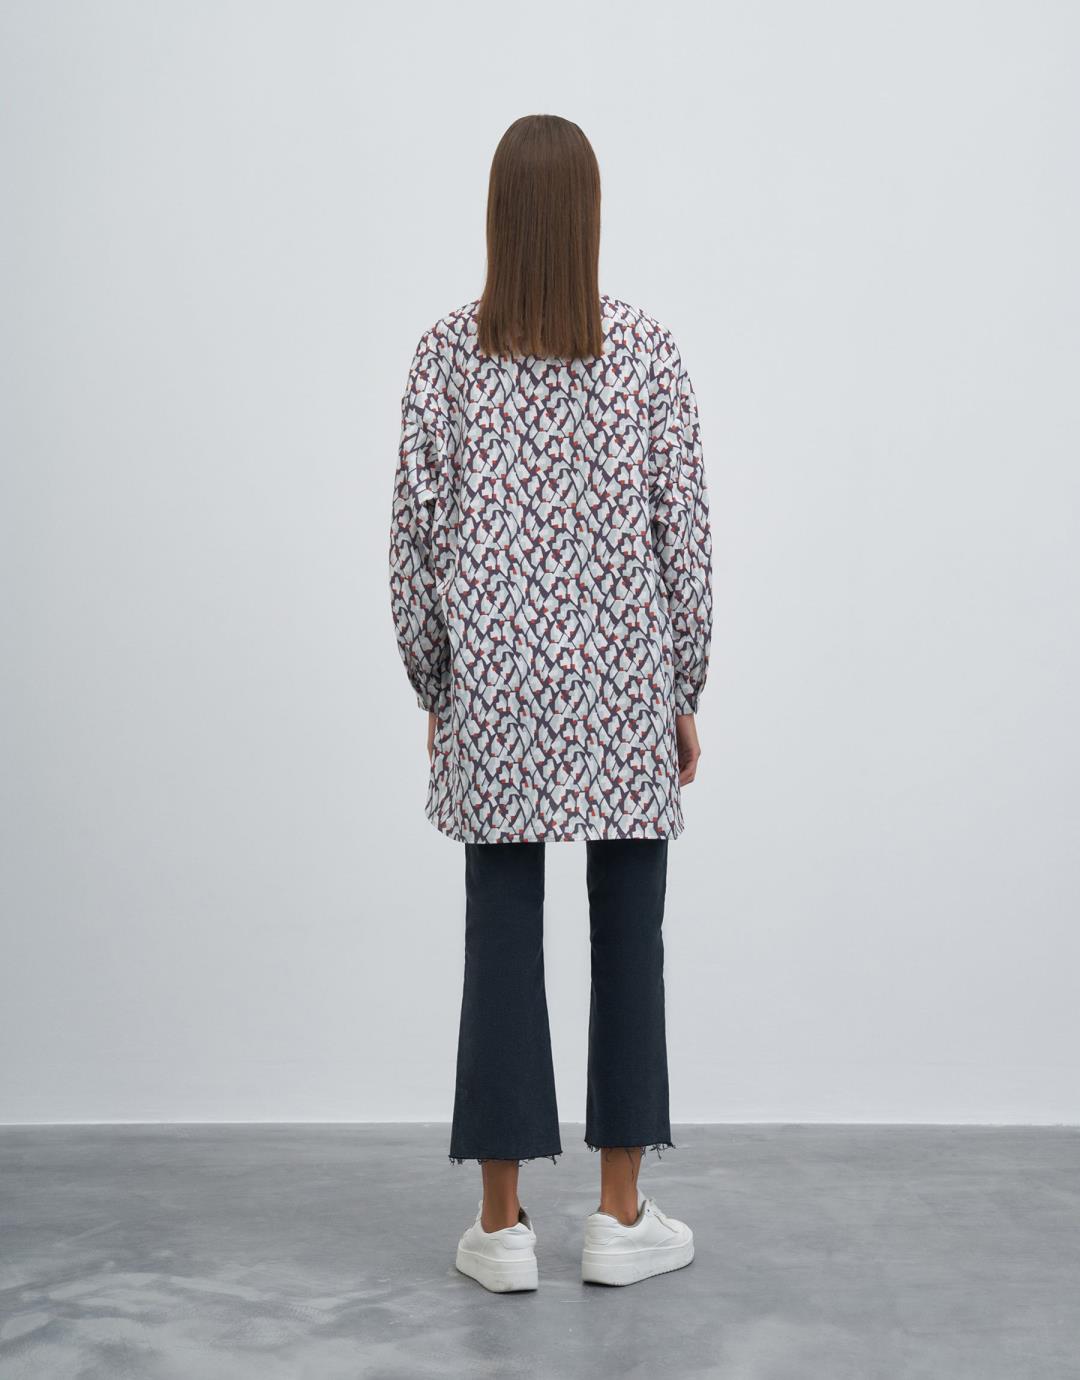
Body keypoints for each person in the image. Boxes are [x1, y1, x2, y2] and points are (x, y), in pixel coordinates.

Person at [388, 114, 713, 1291]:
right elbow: (685, 541)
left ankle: (502, 1226)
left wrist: (438, 683)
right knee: (629, 932)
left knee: (501, 930)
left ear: (498, 216)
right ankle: (620, 1218)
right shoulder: (647, 352)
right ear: (588, 220)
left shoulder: (444, 356)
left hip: (500, 690)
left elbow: (413, 543)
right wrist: (682, 688)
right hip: (622, 685)